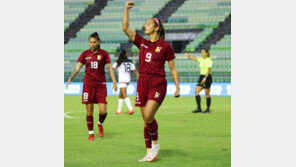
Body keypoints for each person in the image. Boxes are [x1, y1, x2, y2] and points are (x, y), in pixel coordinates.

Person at [122, 1, 180, 162]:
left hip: (158, 83)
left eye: (148, 24)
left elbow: (173, 69)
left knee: (148, 116)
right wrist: (126, 9)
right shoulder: (142, 43)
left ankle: (155, 145)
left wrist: (177, 87)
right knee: (146, 120)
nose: (145, 26)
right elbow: (125, 28)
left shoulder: (165, 47)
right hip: (143, 83)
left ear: (157, 28)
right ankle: (150, 152)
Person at [66, 32, 117, 141]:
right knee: (89, 111)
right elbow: (77, 68)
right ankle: (91, 133)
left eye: (94, 42)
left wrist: (114, 82)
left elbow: (109, 68)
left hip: (101, 85)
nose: (92, 44)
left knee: (103, 111)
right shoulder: (84, 54)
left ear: (98, 42)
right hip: (88, 85)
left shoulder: (104, 54)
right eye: (90, 42)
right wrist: (70, 77)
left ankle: (100, 123)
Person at [184, 49, 213, 113]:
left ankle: (207, 109)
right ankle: (199, 108)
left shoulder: (209, 60)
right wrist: (188, 56)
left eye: (203, 52)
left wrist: (205, 78)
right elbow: (195, 58)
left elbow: (209, 70)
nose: (202, 54)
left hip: (207, 77)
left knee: (207, 93)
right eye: (201, 52)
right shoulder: (201, 59)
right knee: (196, 91)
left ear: (207, 53)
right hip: (201, 77)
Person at [112, 50, 139, 115]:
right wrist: (138, 77)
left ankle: (131, 109)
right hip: (128, 79)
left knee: (124, 94)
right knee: (120, 95)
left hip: (122, 79)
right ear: (125, 54)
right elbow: (134, 70)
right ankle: (118, 111)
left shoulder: (118, 61)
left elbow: (112, 68)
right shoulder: (130, 61)